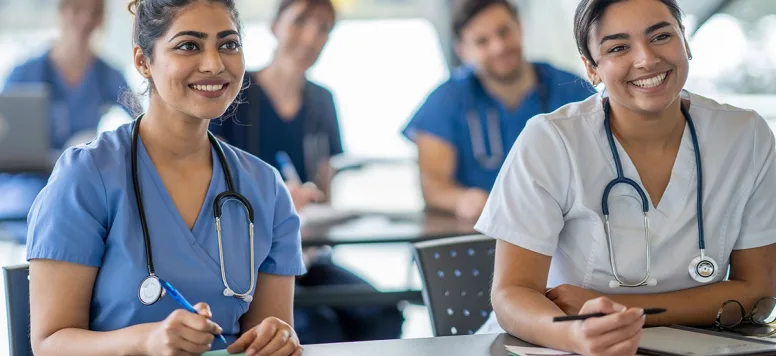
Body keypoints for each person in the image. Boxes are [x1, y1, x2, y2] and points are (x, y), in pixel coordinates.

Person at [475, 0, 776, 355]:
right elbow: (512, 293)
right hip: (550, 344)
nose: (647, 59)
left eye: (661, 36)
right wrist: (576, 336)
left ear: (686, 42)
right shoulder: (552, 140)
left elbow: (758, 291)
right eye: (618, 47)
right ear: (592, 68)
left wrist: (621, 312)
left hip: (688, 344)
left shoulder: (745, 136)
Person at [26, 1, 305, 355]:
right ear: (143, 62)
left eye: (228, 44)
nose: (214, 64)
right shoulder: (87, 176)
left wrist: (278, 339)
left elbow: (266, 332)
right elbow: (49, 343)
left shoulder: (266, 189)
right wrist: (147, 342)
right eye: (189, 45)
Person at [210, 0, 405, 344]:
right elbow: (211, 189)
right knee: (319, 327)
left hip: (309, 257)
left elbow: (324, 188)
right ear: (275, 26)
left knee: (385, 312)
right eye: (301, 22)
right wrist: (279, 202)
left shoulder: (322, 102)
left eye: (323, 28)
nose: (311, 37)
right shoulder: (233, 97)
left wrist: (313, 205)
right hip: (248, 264)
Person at [401, 0, 593, 222]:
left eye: (504, 32)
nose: (499, 47)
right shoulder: (445, 101)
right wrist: (462, 200)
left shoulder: (570, 89)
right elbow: (433, 186)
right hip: (481, 230)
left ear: (519, 27)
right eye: (482, 41)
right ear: (462, 50)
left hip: (562, 227)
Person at [0, 0, 130, 243]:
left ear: (102, 20)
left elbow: (143, 119)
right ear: (62, 13)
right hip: (27, 179)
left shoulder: (108, 74)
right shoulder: (25, 72)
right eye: (77, 10)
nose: (85, 20)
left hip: (78, 177)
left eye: (94, 13)